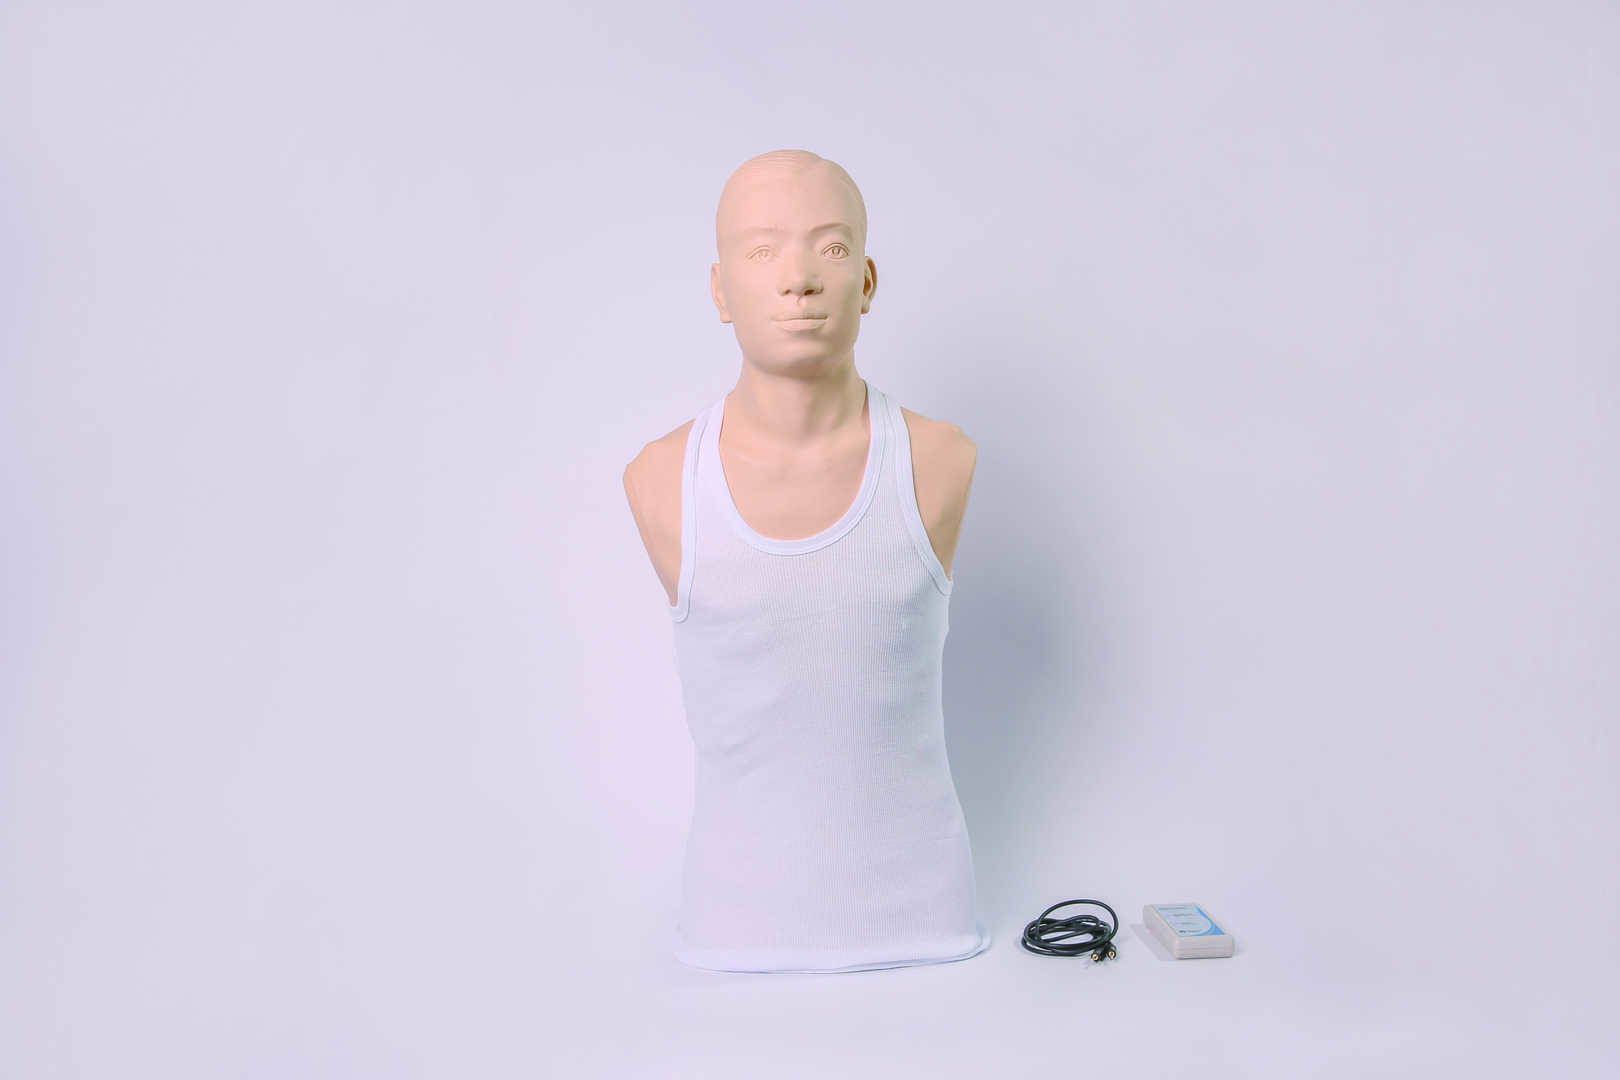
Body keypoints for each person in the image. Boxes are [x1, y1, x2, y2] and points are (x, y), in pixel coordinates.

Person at [622, 149, 990, 973]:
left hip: (930, 929)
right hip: (728, 936)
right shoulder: (661, 477)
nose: (798, 279)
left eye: (830, 248)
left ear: (866, 281)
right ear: (720, 290)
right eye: (763, 251)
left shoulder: (941, 458)